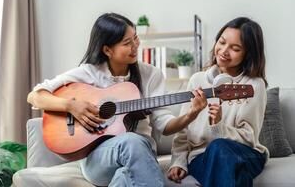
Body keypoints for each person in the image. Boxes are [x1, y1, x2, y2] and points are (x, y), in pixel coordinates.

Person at [27, 12, 207, 187]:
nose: (135, 46)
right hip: (98, 161)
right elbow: (35, 96)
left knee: (125, 175)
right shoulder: (89, 72)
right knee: (131, 140)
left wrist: (191, 114)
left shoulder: (151, 75)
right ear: (107, 50)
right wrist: (71, 105)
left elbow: (164, 125)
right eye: (127, 43)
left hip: (142, 156)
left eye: (135, 38)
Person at [167, 17, 269, 187]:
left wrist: (219, 126)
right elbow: (183, 131)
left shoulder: (253, 85)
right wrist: (178, 161)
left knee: (219, 147)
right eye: (221, 42)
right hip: (201, 157)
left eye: (235, 48)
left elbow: (249, 137)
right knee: (237, 174)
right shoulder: (196, 79)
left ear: (248, 53)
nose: (224, 51)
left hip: (245, 153)